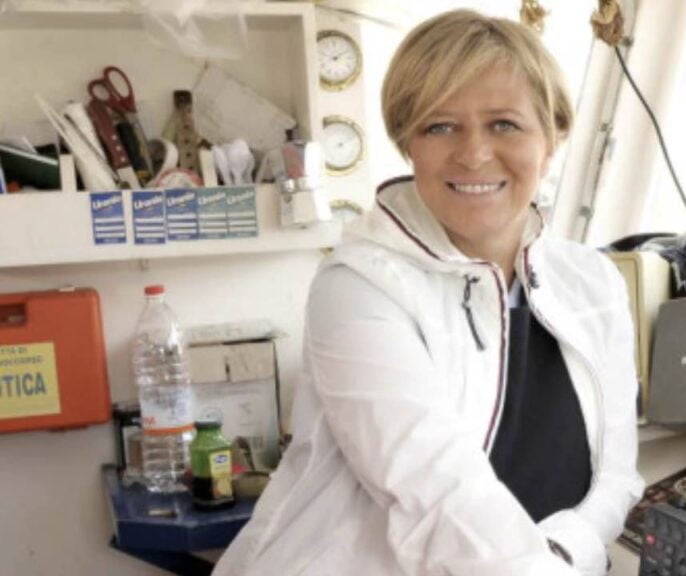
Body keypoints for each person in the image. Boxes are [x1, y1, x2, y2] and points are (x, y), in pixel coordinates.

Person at [213, 9, 643, 576]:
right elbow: (438, 498)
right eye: (439, 126)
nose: (473, 153)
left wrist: (565, 552)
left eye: (504, 124)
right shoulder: (359, 287)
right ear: (407, 143)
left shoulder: (594, 282)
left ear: (554, 135)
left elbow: (616, 475)